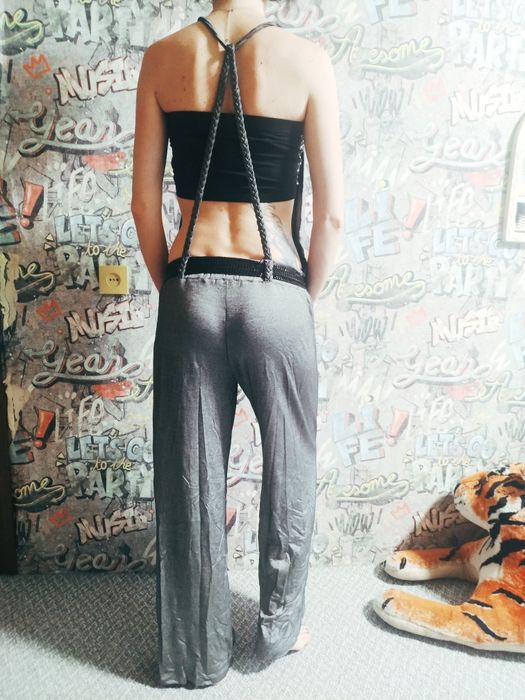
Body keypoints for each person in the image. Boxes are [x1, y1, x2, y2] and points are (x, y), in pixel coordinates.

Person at [131, 0, 344, 688]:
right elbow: (332, 217)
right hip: (276, 285)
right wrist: (298, 297)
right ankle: (280, 629)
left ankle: (195, 654)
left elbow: (143, 205)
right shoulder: (306, 59)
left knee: (188, 474)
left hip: (191, 282)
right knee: (291, 463)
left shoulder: (163, 56)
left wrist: (178, 292)